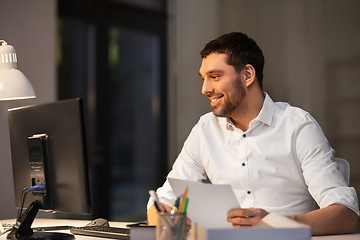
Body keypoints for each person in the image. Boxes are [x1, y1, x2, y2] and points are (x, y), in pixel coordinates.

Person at [147, 32, 359, 235]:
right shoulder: (205, 129)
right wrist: (167, 220)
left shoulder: (298, 126)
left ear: (247, 75)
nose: (205, 88)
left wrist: (276, 223)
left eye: (215, 76)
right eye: (203, 78)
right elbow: (161, 202)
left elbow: (346, 214)